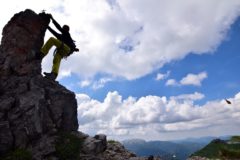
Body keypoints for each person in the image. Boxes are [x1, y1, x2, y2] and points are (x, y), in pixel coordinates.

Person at [40, 14, 79, 80]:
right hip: (63, 51)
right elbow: (54, 32)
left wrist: (52, 19)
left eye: (64, 28)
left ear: (67, 30)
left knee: (52, 39)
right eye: (64, 28)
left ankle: (42, 53)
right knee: (56, 59)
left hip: (66, 49)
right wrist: (47, 26)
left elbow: (58, 27)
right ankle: (54, 74)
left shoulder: (67, 34)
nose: (63, 29)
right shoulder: (60, 36)